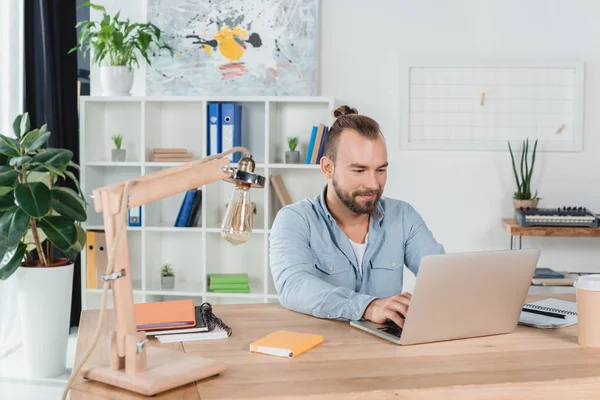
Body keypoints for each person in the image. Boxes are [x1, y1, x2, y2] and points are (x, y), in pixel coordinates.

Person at [269, 105, 445, 328]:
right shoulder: (295, 219)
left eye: (380, 170)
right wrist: (368, 307)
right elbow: (293, 286)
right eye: (359, 170)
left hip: (386, 350)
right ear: (327, 168)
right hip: (320, 350)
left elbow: (441, 275)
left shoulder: (403, 216)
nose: (373, 184)